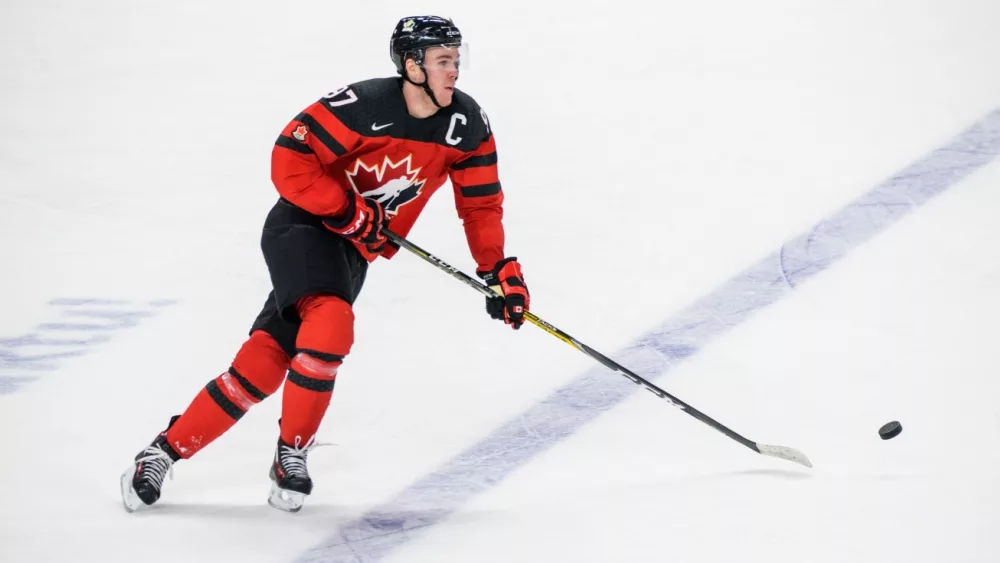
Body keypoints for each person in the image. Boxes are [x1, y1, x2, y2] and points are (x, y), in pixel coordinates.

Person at [119, 15, 530, 513]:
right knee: (331, 322)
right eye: (443, 61)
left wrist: (498, 272)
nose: (455, 71)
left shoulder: (466, 126)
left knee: (264, 362)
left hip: (353, 252)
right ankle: (291, 453)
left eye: (457, 60)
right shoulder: (364, 105)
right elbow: (288, 159)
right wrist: (346, 209)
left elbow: (481, 205)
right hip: (302, 226)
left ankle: (160, 453)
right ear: (411, 64)